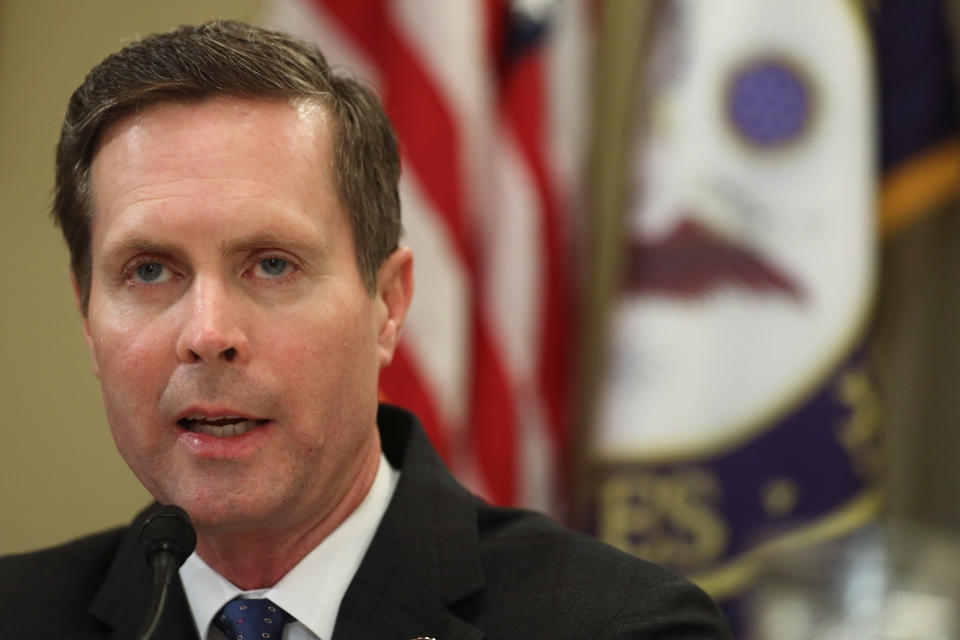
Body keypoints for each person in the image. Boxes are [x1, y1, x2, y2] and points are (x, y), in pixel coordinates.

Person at [0, 20, 731, 639]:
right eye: (150, 271)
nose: (209, 332)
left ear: (388, 304)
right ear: (87, 319)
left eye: (272, 265)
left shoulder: (623, 626)